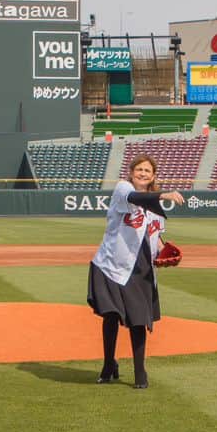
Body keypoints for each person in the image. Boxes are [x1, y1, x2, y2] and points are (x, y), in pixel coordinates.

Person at [86, 154, 184, 389]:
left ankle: (140, 371)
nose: (142, 173)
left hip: (140, 268)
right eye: (139, 169)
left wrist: (164, 250)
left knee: (138, 321)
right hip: (110, 263)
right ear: (131, 173)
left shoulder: (156, 210)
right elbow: (135, 198)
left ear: (153, 176)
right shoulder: (123, 188)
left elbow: (155, 235)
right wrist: (164, 194)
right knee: (110, 315)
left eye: (147, 171)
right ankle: (109, 364)